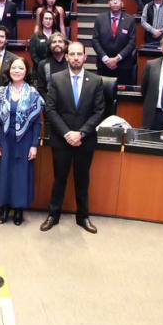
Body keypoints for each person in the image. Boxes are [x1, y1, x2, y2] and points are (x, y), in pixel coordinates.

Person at [42, 41, 104, 234]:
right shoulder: (56, 78)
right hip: (62, 139)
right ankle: (53, 214)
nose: (76, 57)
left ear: (85, 57)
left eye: (79, 54)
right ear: (67, 57)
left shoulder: (96, 81)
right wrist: (67, 133)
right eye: (72, 54)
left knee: (82, 179)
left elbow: (99, 111)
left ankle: (83, 217)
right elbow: (50, 109)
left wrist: (82, 133)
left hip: (85, 140)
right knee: (59, 179)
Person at [0, 58, 43, 226]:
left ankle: (19, 209)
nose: (17, 70)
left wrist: (34, 145)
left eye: (21, 68)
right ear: (9, 70)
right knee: (4, 173)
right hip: (5, 139)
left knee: (21, 174)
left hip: (25, 140)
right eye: (14, 67)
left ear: (26, 72)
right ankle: (4, 207)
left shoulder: (33, 94)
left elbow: (37, 122)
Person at [94, 0, 137, 87]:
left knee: (122, 97)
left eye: (117, 0)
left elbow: (132, 42)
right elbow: (95, 41)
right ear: (109, 3)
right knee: (102, 94)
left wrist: (117, 59)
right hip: (104, 65)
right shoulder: (99, 19)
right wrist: (106, 59)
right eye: (113, 0)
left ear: (122, 3)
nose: (115, 2)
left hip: (123, 65)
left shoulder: (130, 20)